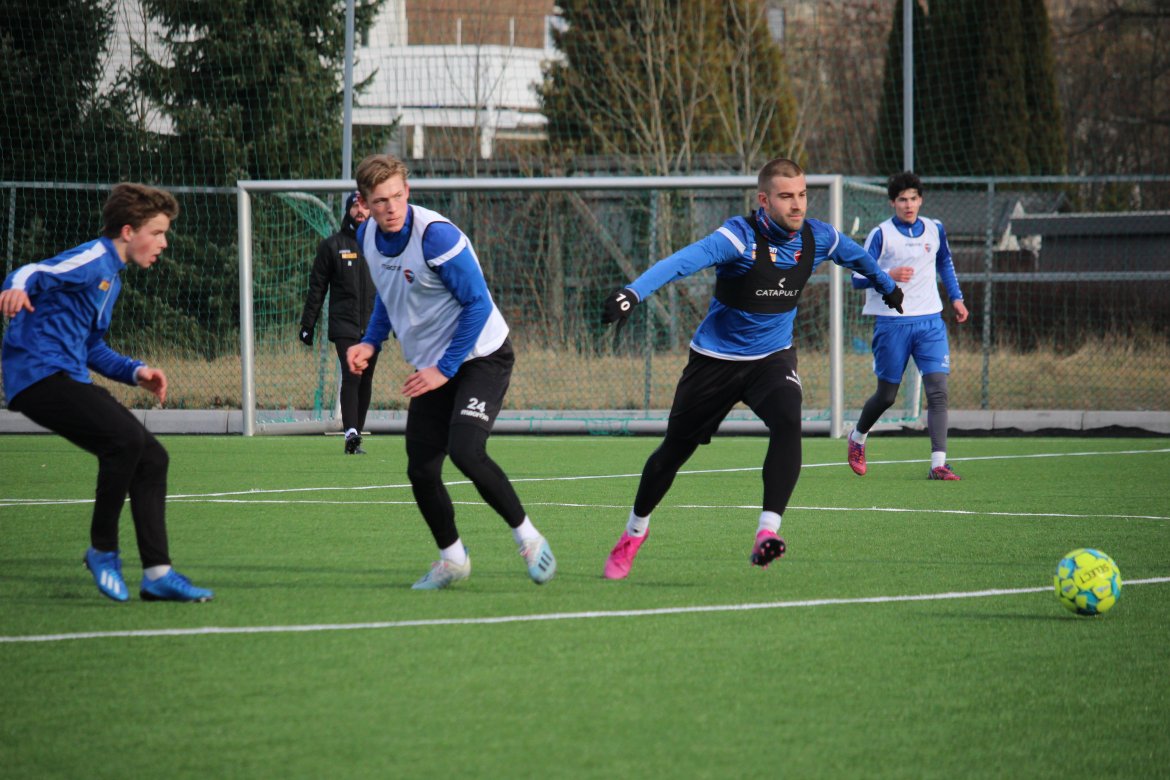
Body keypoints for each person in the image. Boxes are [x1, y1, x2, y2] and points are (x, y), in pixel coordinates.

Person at [599, 158, 903, 580]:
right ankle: (634, 532)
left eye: (802, 195)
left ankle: (767, 532)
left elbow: (857, 257)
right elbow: (682, 261)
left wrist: (888, 287)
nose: (797, 205)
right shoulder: (737, 238)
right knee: (673, 453)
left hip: (772, 359)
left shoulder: (819, 237)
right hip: (715, 362)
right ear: (764, 200)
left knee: (788, 420)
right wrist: (632, 293)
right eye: (786, 196)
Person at [345, 154, 556, 590]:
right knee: (421, 470)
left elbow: (478, 304)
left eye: (398, 196)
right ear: (363, 203)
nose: (391, 207)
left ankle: (529, 538)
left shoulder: (436, 237)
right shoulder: (366, 235)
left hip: (482, 356)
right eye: (380, 200)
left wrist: (444, 369)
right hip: (433, 367)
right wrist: (371, 340)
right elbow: (388, 293)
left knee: (466, 450)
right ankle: (453, 559)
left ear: (408, 191)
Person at [0, 183, 213, 603]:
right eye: (158, 232)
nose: (164, 243)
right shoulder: (93, 259)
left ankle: (157, 574)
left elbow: (91, 347)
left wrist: (136, 371)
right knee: (126, 440)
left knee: (152, 457)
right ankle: (102, 550)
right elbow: (33, 271)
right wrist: (16, 287)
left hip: (65, 376)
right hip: (37, 375)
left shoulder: (110, 280)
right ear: (128, 231)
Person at [847, 171, 968, 481]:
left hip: (930, 322)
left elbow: (945, 262)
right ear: (892, 202)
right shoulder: (881, 234)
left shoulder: (935, 229)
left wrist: (956, 298)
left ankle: (938, 464)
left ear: (921, 200)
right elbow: (856, 278)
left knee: (938, 391)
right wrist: (887, 274)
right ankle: (858, 437)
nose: (909, 204)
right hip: (892, 324)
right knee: (887, 396)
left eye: (913, 198)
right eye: (902, 199)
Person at [298, 190, 378, 454]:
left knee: (366, 378)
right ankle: (350, 433)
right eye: (356, 206)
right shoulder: (332, 245)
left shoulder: (381, 244)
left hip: (373, 325)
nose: (360, 211)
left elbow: (393, 286)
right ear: (348, 210)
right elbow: (317, 288)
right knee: (352, 374)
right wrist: (308, 325)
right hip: (344, 324)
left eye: (365, 206)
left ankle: (356, 437)